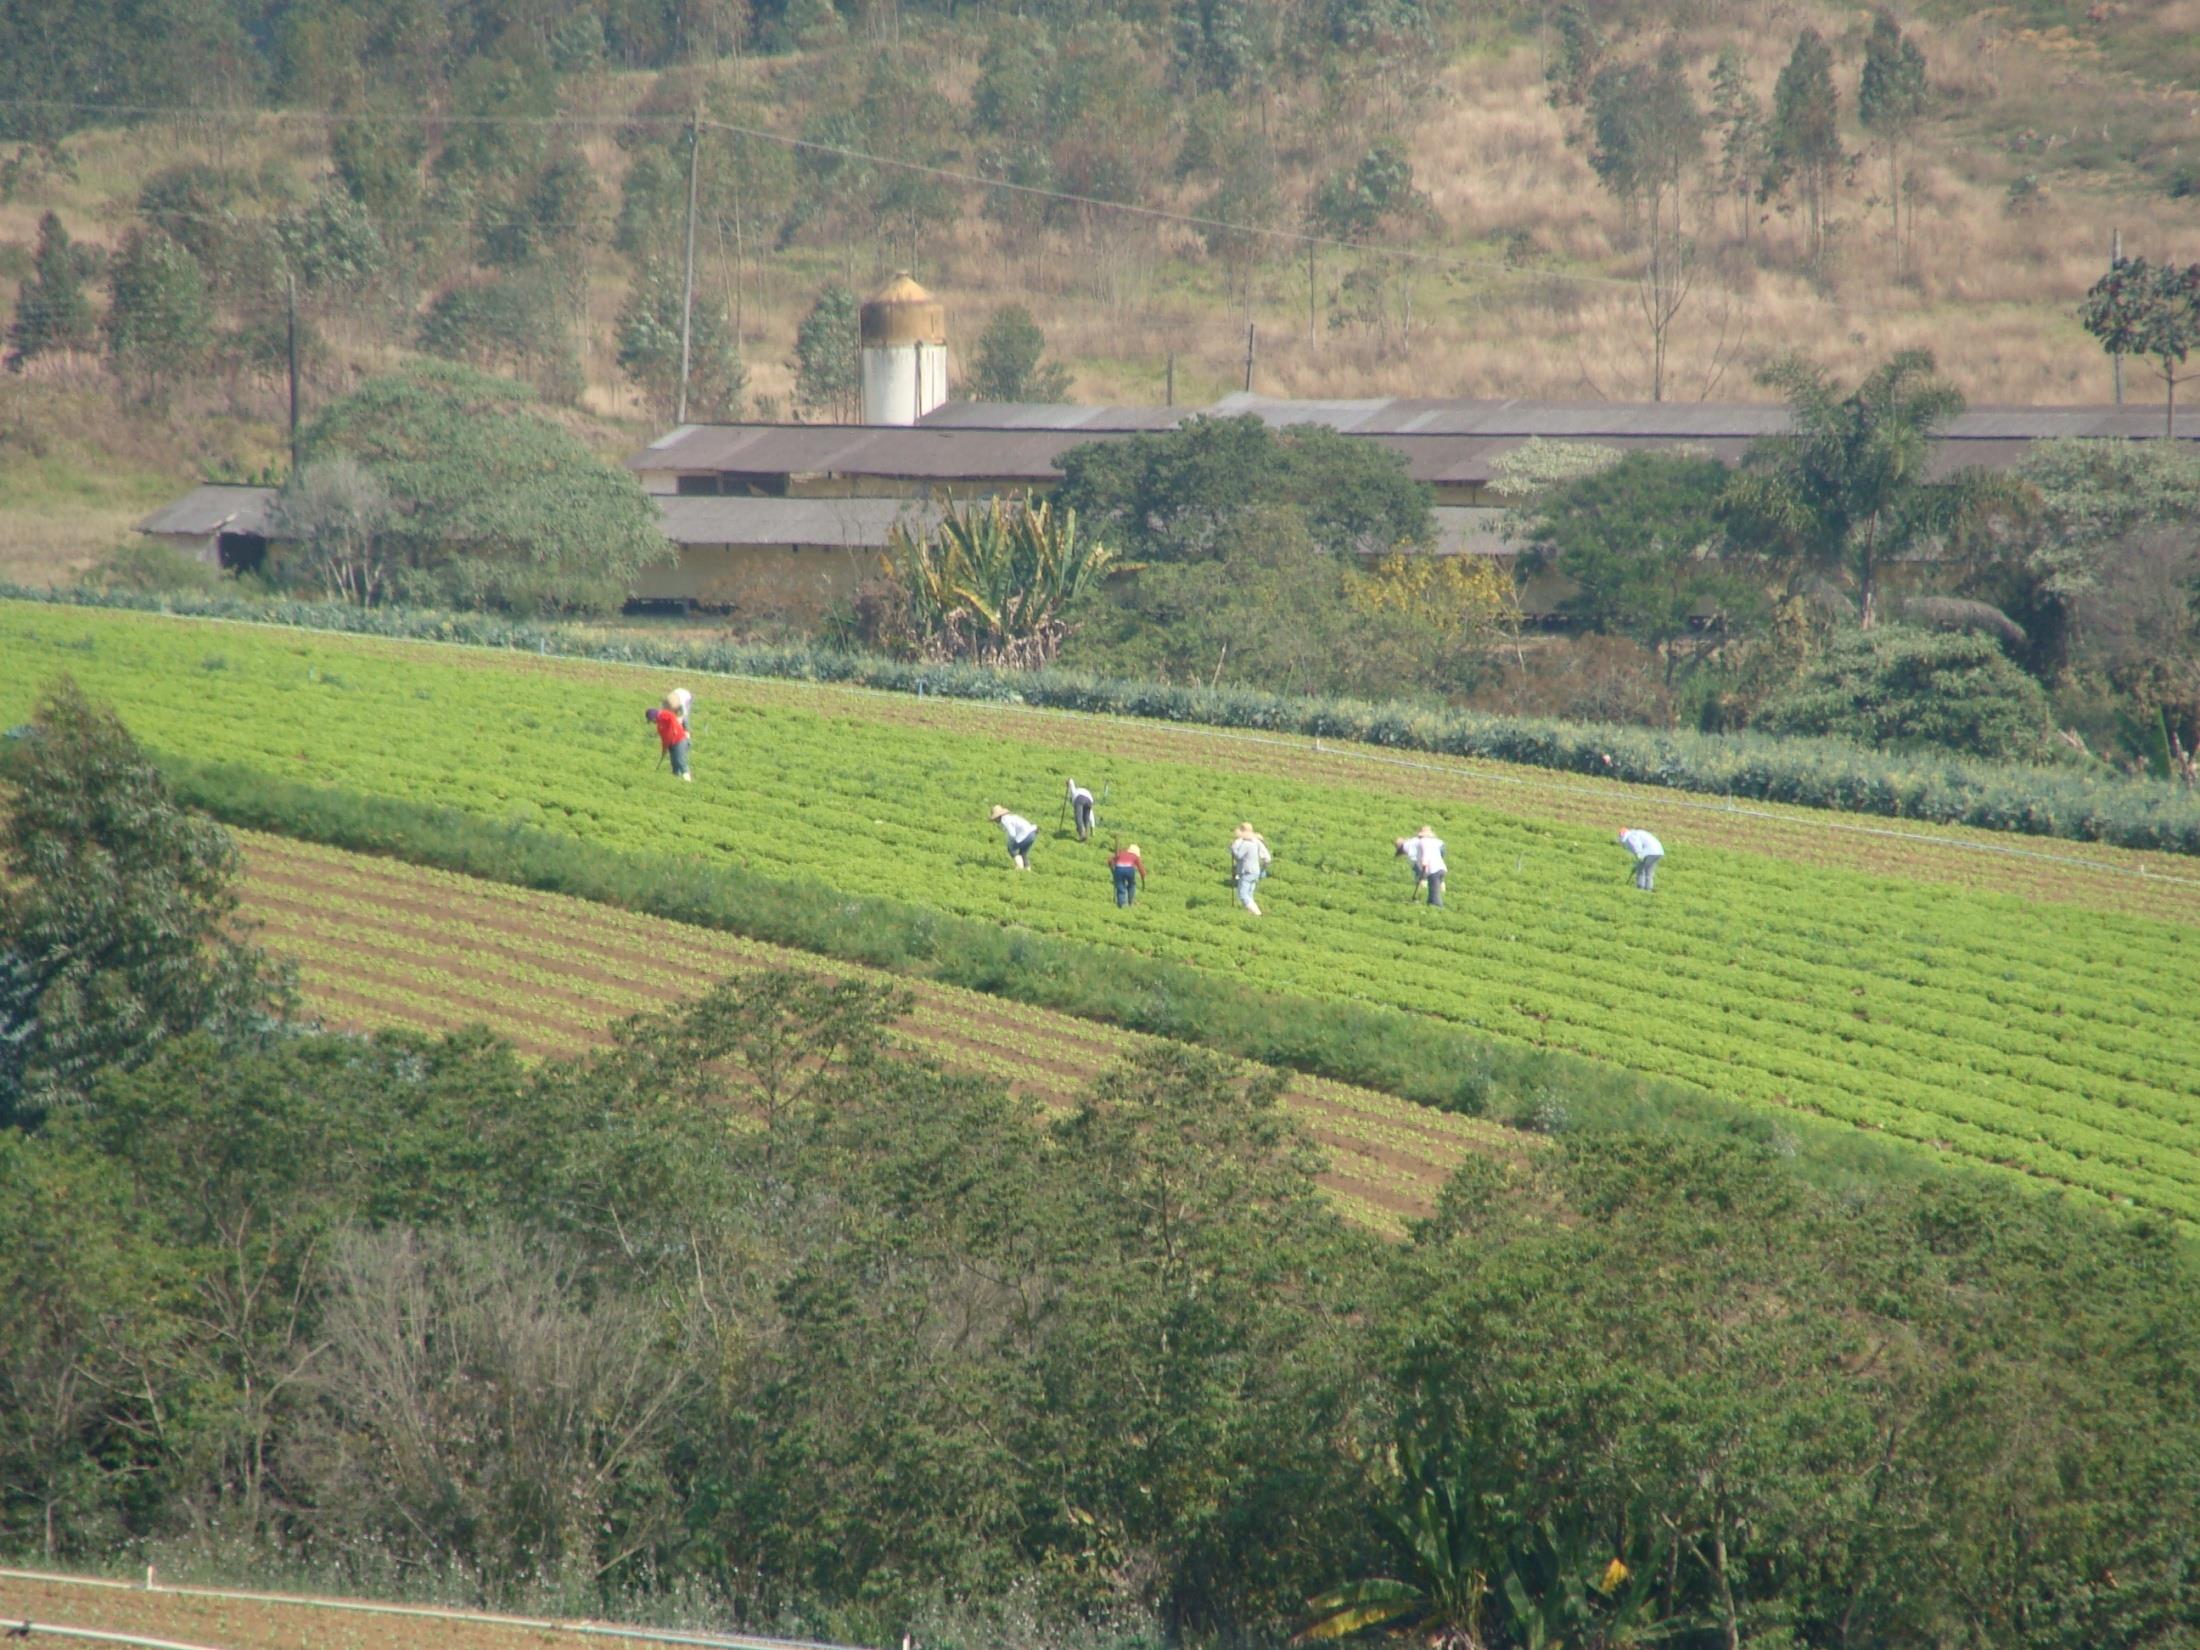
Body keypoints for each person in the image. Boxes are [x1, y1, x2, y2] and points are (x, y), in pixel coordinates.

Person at [644, 693, 692, 782]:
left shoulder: (663, 715)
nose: (652, 722)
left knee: (680, 762)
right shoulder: (659, 727)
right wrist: (664, 750)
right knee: (674, 765)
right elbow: (664, 740)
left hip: (679, 740)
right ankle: (676, 781)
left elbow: (672, 717)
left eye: (651, 720)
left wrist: (674, 729)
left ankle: (688, 782)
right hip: (672, 745)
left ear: (654, 717)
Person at [1394, 825, 1447, 907]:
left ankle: (1437, 908)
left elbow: (1421, 857)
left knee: (1434, 894)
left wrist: (1422, 868)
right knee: (1433, 891)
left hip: (1434, 869)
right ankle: (1431, 904)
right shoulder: (1433, 841)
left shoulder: (1422, 842)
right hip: (1440, 868)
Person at [1230, 822, 1271, 916]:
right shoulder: (1256, 842)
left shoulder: (1246, 843)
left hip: (1247, 871)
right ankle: (1253, 914)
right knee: (1249, 894)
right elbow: (1267, 858)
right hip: (1255, 871)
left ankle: (1257, 914)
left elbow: (1238, 855)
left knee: (1243, 895)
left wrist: (1233, 848)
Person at [990, 804, 1039, 870]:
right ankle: (1027, 870)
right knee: (1023, 853)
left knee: (1011, 849)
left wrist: (1011, 843)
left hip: (1026, 835)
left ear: (998, 817)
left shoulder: (1005, 820)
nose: (995, 821)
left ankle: (1019, 867)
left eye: (995, 819)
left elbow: (1012, 833)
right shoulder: (1011, 817)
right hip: (1032, 834)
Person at [1617, 827, 1663, 891]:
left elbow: (1637, 847)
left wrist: (1638, 856)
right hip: (1656, 851)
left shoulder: (1631, 837)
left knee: (1644, 870)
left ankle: (1644, 888)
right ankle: (1644, 888)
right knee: (1644, 870)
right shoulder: (1635, 834)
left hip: (1651, 852)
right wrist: (1638, 861)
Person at [1109, 841, 1146, 907]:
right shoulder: (1135, 857)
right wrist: (1143, 876)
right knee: (1132, 885)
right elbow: (1141, 868)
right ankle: (1130, 901)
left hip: (1119, 868)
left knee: (1120, 886)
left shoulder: (1121, 853)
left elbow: (1110, 861)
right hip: (1129, 869)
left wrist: (1113, 871)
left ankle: (1122, 904)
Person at [1066, 778, 1096, 842]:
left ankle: (1082, 834)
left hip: (1079, 798)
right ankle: (1086, 834)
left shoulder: (1075, 793)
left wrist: (1069, 781)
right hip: (1089, 801)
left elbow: (1071, 782)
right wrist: (1092, 829)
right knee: (1086, 818)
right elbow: (1091, 816)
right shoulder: (1082, 791)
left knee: (1078, 817)